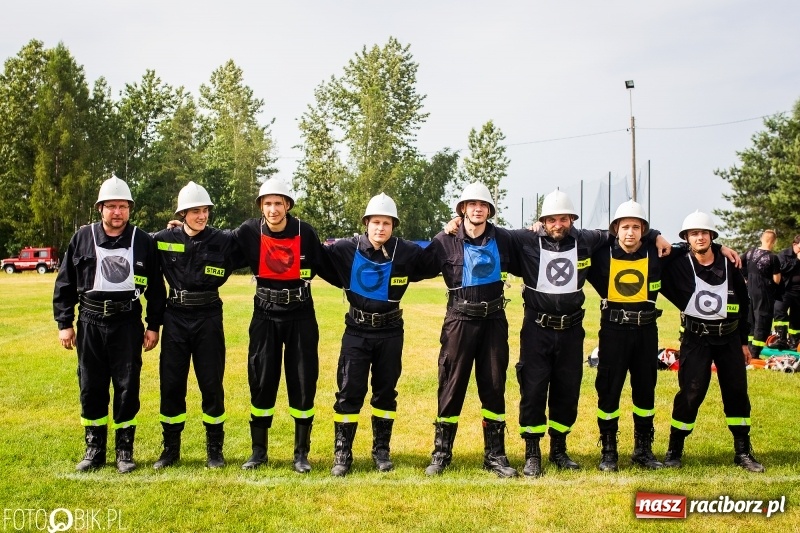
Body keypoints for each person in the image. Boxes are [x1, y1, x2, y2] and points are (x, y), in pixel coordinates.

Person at [508, 190, 629, 477]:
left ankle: (559, 449)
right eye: (551, 220)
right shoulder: (526, 239)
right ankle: (532, 453)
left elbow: (622, 232)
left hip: (572, 331)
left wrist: (657, 234)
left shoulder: (587, 239)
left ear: (572, 219)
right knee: (534, 389)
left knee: (567, 390)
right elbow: (488, 231)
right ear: (543, 221)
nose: (558, 224)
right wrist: (454, 222)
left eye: (563, 219)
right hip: (536, 330)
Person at [53, 175, 165, 473]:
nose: (118, 212)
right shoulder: (82, 238)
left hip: (127, 321)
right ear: (100, 208)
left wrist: (153, 325)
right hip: (90, 320)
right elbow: (65, 284)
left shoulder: (143, 240)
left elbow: (156, 288)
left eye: (123, 207)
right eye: (112, 206)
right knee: (91, 385)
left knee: (128, 385)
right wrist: (65, 323)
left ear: (130, 209)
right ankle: (94, 448)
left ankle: (125, 450)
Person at [323, 193, 439, 476]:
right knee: (350, 390)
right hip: (356, 331)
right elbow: (316, 257)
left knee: (385, 391)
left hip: (390, 332)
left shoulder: (406, 251)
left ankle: (381, 451)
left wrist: (446, 232)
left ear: (393, 226)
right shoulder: (345, 249)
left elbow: (435, 260)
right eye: (376, 222)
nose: (380, 228)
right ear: (366, 223)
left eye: (386, 223)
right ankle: (342, 453)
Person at [233, 178, 338, 473]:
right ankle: (258, 452)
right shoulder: (249, 231)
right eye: (267, 203)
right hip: (264, 314)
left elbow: (329, 265)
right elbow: (217, 244)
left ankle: (301, 454)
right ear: (260, 207)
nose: (273, 208)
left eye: (279, 202)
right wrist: (182, 233)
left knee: (303, 381)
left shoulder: (306, 232)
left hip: (301, 314)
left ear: (288, 205)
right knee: (262, 379)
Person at [423, 182, 520, 478]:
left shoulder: (504, 238)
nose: (477, 209)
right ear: (462, 209)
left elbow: (539, 241)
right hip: (459, 322)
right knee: (451, 385)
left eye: (483, 205)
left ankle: (495, 455)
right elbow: (413, 266)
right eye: (471, 204)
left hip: (494, 321)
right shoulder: (445, 240)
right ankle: (441, 454)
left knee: (493, 385)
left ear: (489, 211)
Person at [660, 211, 764, 473]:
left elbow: (743, 303)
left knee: (736, 392)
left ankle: (742, 451)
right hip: (696, 339)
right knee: (691, 393)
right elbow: (661, 250)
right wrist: (714, 245)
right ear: (686, 238)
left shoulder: (730, 264)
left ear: (712, 236)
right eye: (694, 234)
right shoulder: (679, 264)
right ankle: (675, 450)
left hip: (728, 338)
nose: (700, 237)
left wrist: (743, 342)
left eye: (705, 233)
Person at [150, 181, 245, 469]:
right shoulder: (163, 238)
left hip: (208, 317)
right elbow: (137, 245)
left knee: (211, 383)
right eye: (195, 211)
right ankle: (170, 450)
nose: (202, 216)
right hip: (175, 317)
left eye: (205, 210)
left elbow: (252, 245)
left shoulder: (224, 240)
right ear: (182, 214)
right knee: (172, 383)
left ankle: (215, 450)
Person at [586, 200, 671, 472]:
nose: (630, 233)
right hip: (613, 331)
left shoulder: (658, 252)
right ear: (615, 229)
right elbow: (571, 239)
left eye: (636, 227)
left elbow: (695, 248)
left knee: (645, 390)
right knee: (608, 390)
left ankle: (643, 450)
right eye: (625, 227)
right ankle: (609, 450)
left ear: (644, 230)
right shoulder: (601, 253)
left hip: (646, 331)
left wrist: (721, 247)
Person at [741, 230, 781, 358]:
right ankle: (755, 353)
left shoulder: (749, 253)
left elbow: (739, 265)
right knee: (762, 321)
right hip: (764, 292)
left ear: (761, 238)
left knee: (750, 320)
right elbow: (777, 279)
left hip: (749, 291)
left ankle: (747, 349)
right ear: (774, 241)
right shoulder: (773, 258)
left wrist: (746, 279)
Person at [772, 234, 800, 350]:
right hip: (785, 291)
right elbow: (781, 269)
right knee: (779, 311)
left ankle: (794, 341)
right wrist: (797, 260)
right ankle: (781, 339)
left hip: (799, 293)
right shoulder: (784, 255)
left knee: (797, 317)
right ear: (795, 244)